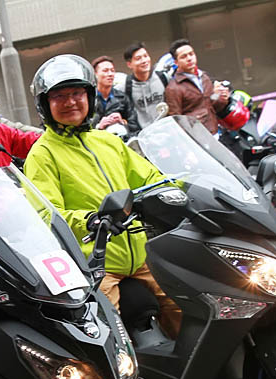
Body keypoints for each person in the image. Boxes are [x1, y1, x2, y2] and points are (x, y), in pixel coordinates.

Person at [23, 54, 181, 338]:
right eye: (59, 96)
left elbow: (149, 177)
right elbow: (46, 213)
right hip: (96, 265)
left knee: (186, 307)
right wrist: (92, 220)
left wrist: (179, 187)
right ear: (45, 105)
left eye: (76, 93)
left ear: (90, 97)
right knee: (111, 336)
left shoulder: (108, 141)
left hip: (143, 255)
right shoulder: (42, 153)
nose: (70, 102)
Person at [164, 38, 229, 135]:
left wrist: (221, 97)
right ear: (176, 62)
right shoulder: (173, 88)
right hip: (195, 139)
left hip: (214, 132)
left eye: (191, 54)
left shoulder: (204, 77)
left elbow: (211, 103)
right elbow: (176, 120)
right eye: (184, 56)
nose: (189, 58)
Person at [123, 42, 170, 128]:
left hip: (166, 130)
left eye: (145, 56)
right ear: (129, 64)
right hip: (143, 134)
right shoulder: (125, 86)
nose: (144, 61)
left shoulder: (163, 78)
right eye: (138, 58)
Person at [90, 55, 140, 136]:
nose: (110, 74)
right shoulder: (89, 99)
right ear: (95, 74)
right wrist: (99, 126)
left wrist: (122, 122)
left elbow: (134, 126)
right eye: (105, 71)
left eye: (112, 70)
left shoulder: (122, 98)